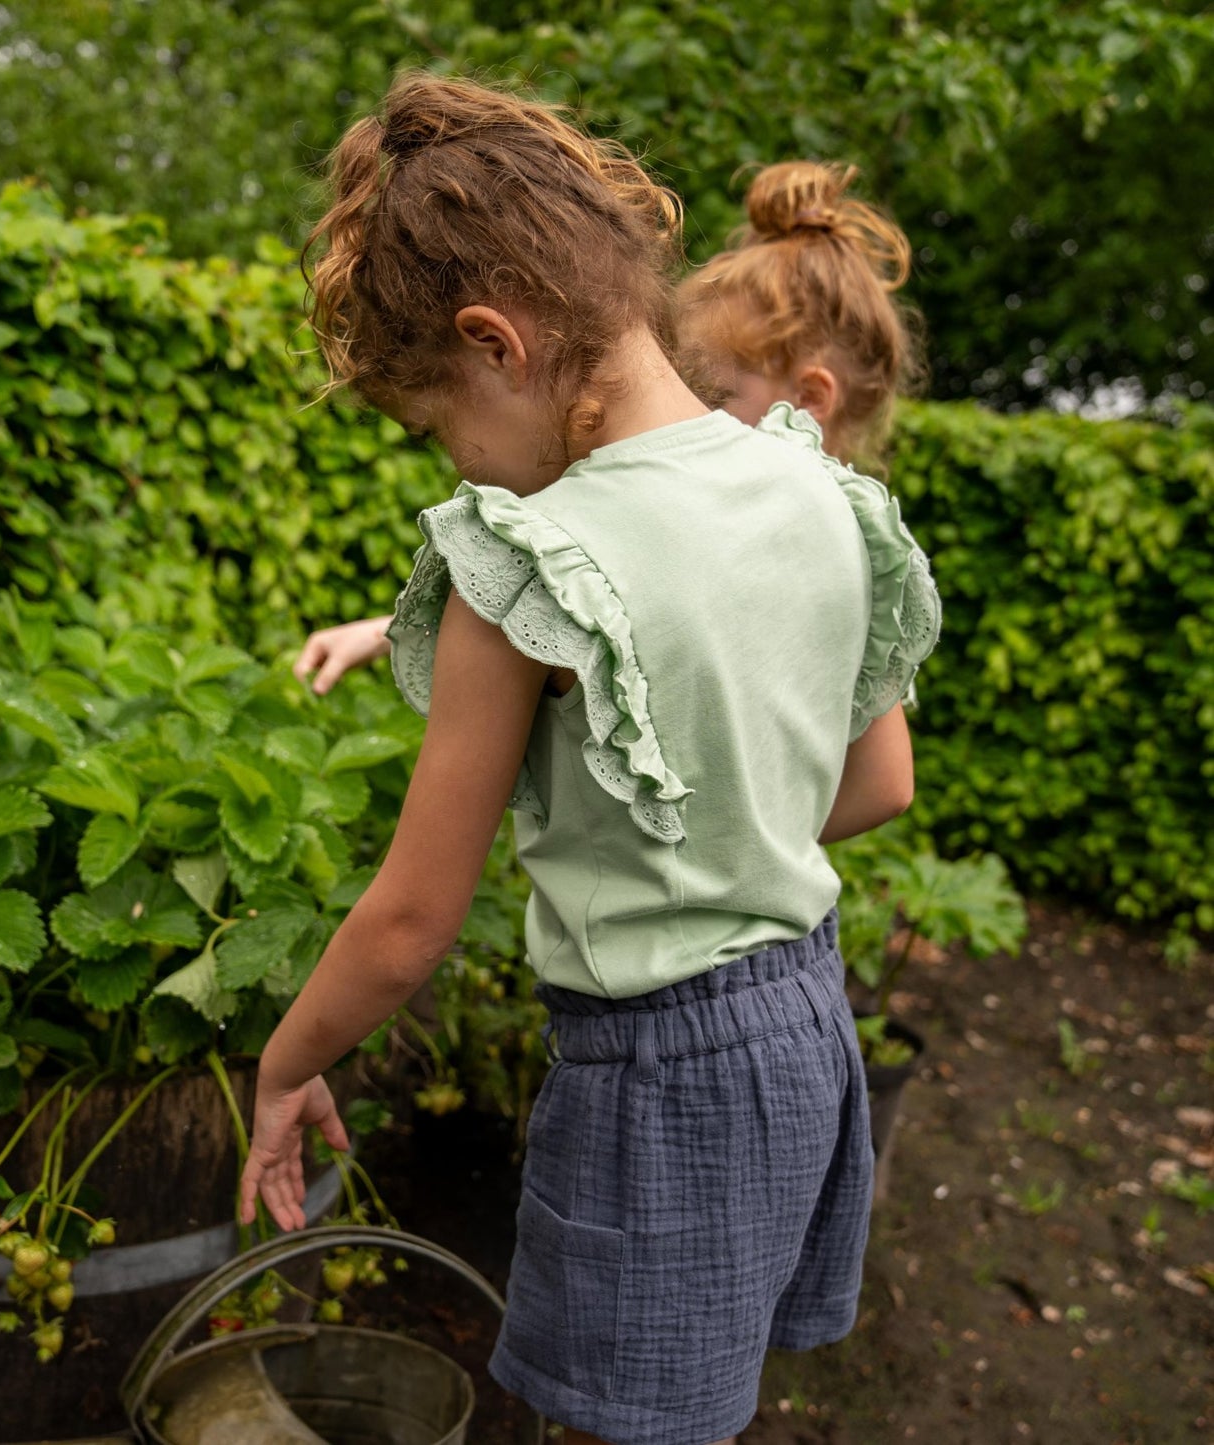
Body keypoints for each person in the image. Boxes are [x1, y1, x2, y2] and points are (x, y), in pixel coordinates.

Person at [238, 72, 940, 1445]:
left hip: (656, 1076)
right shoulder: (824, 488)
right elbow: (876, 788)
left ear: (497, 343)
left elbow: (410, 919)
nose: (466, 467)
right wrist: (729, 839)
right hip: (805, 1023)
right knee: (700, 1398)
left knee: (618, 1423)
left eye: (441, 424)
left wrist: (285, 1065)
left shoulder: (528, 558)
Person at [292, 158, 923, 699]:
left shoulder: (797, 537)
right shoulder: (827, 536)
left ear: (811, 400)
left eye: (717, 393)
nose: (689, 412)